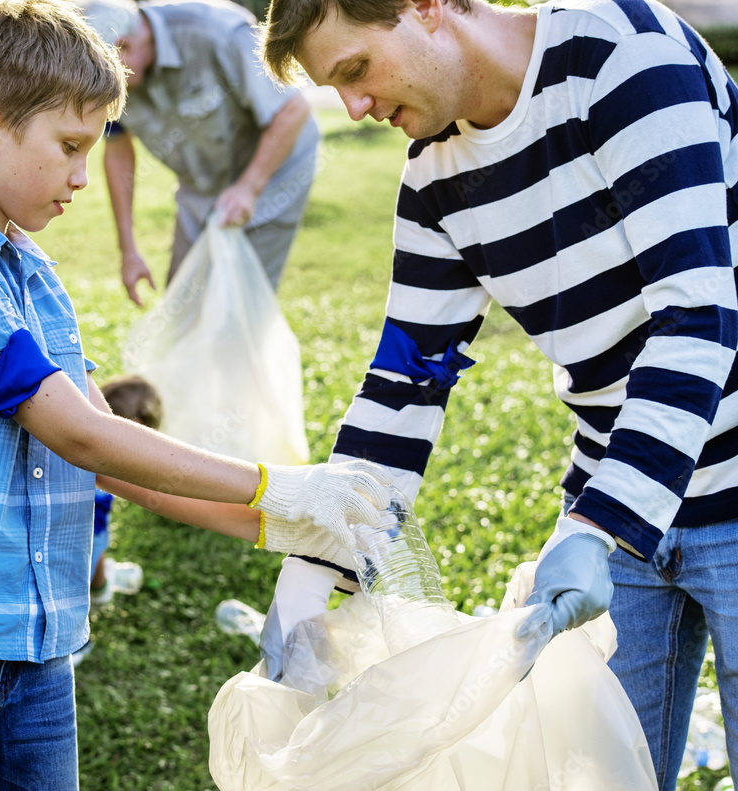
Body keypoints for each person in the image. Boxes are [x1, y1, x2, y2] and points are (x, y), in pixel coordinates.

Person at [0, 1, 393, 788]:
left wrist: (283, 525)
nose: (85, 175)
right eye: (71, 147)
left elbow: (112, 454)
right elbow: (76, 433)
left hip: (39, 649)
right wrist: (278, 484)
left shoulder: (37, 280)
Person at [257, 0, 738, 789]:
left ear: (429, 8)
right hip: (616, 494)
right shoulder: (433, 181)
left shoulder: (625, 62)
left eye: (355, 70)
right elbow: (404, 389)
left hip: (669, 494)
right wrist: (315, 573)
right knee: (601, 770)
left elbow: (698, 317)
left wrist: (597, 526)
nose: (352, 107)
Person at [78, 0, 321, 306]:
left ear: (123, 46)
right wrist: (128, 250)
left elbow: (292, 108)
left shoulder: (216, 32)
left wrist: (248, 188)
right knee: (182, 298)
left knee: (239, 303)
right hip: (201, 184)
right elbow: (117, 152)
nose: (103, 90)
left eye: (107, 74)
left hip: (273, 176)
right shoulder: (109, 71)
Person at [73, 374, 162, 666]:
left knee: (97, 550)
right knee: (75, 579)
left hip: (92, 533)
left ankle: (100, 589)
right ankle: (75, 640)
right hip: (73, 542)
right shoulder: (101, 466)